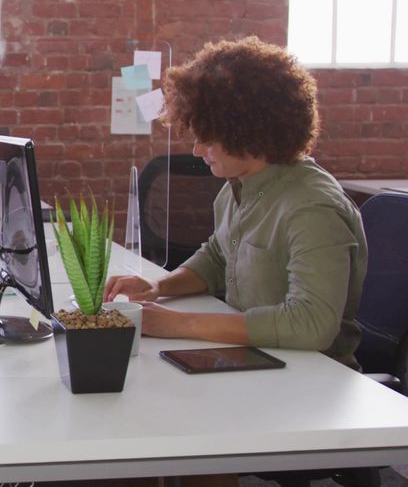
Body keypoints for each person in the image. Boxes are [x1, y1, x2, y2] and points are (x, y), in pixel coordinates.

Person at [104, 36, 368, 369]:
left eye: (208, 139)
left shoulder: (312, 209)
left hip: (312, 376)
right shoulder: (236, 188)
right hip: (254, 360)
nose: (198, 151)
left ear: (249, 133)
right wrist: (157, 286)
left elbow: (311, 324)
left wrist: (178, 324)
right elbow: (218, 257)